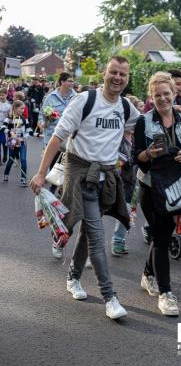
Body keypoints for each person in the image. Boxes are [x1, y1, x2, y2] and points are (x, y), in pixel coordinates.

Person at [30, 56, 140, 320]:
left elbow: (145, 123)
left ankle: (73, 277)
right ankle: (110, 297)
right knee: (96, 234)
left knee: (89, 231)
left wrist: (175, 108)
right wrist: (41, 173)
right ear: (104, 73)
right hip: (80, 173)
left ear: (127, 78)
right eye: (113, 72)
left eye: (122, 74)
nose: (117, 78)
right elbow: (58, 137)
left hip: (106, 178)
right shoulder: (85, 100)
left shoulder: (126, 107)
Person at [134, 71, 181, 316]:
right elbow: (136, 158)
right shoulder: (144, 122)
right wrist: (149, 153)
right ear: (151, 97)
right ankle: (166, 293)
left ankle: (147, 275)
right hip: (151, 188)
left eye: (167, 93)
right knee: (161, 237)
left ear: (174, 94)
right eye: (157, 95)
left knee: (161, 236)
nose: (163, 98)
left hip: (177, 188)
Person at [38, 72, 76, 200]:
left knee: (65, 165)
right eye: (69, 81)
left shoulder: (76, 97)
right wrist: (42, 121)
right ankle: (54, 190)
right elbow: (43, 112)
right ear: (61, 82)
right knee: (53, 164)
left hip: (69, 138)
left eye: (72, 81)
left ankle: (57, 189)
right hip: (51, 136)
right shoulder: (51, 97)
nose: (72, 83)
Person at [2, 100, 31, 186]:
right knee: (11, 160)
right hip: (13, 142)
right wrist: (10, 133)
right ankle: (6, 174)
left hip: (22, 142)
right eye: (21, 108)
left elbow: (29, 130)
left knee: (23, 159)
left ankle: (23, 179)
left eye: (23, 109)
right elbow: (2, 127)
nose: (23, 110)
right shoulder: (9, 119)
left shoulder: (24, 119)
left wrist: (33, 135)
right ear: (15, 108)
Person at [0, 88, 12, 165]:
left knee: (4, 142)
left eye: (2, 95)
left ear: (6, 95)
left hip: (4, 126)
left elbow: (10, 117)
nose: (1, 96)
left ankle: (5, 155)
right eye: (0, 95)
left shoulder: (9, 105)